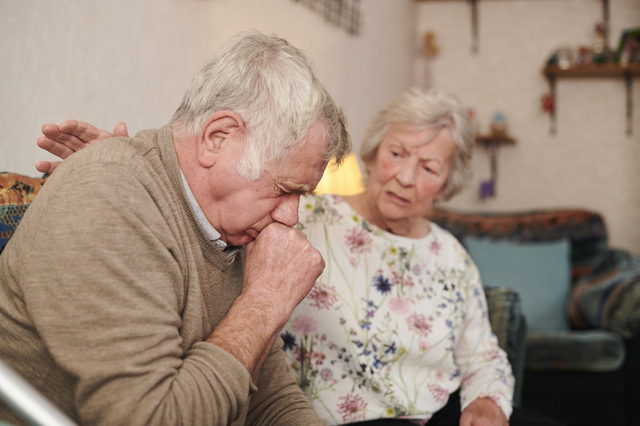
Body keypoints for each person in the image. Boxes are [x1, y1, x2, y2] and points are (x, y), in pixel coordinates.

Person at [34, 89, 564, 426]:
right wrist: (125, 165)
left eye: (429, 167)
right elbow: (214, 190)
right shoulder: (301, 217)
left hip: (444, 413)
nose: (405, 176)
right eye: (398, 154)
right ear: (375, 154)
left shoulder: (449, 255)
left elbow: (483, 353)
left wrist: (489, 402)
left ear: (449, 183)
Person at [0, 30, 350, 425]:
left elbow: (271, 400)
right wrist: (264, 302)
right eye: (285, 189)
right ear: (217, 138)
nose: (291, 217)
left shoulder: (225, 229)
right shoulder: (109, 192)